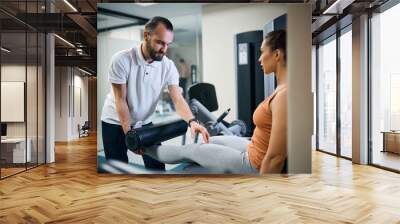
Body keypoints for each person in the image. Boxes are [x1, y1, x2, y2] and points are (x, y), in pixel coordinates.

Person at [141, 30, 288, 174]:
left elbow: (276, 157)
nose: (259, 58)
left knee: (191, 150)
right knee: (208, 141)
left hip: (252, 162)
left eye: (263, 52)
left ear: (276, 54)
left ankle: (142, 147)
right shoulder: (281, 88)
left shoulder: (284, 95)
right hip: (252, 147)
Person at [101, 16, 210, 170]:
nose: (164, 49)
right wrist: (131, 136)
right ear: (146, 36)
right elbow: (121, 100)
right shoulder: (122, 60)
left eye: (167, 44)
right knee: (118, 168)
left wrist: (192, 121)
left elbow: (177, 99)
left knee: (157, 165)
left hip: (144, 121)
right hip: (115, 121)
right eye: (160, 42)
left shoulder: (168, 66)